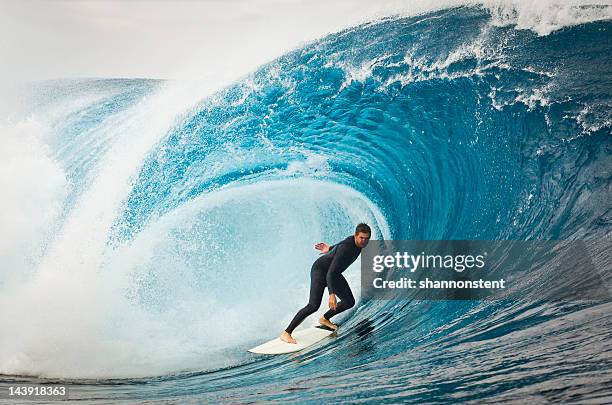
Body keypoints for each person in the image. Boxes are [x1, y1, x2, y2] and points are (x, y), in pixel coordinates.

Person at [279, 223, 371, 344]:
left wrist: (330, 248)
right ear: (355, 236)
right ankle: (286, 333)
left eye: (366, 238)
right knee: (313, 306)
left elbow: (339, 246)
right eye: (361, 238)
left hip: (334, 273)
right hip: (320, 271)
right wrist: (331, 294)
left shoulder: (353, 242)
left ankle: (324, 319)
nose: (364, 241)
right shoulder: (347, 248)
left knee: (349, 302)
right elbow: (330, 273)